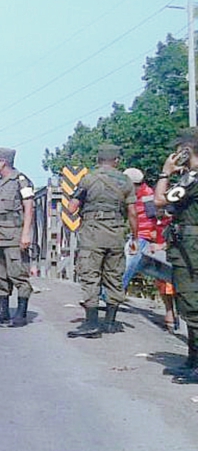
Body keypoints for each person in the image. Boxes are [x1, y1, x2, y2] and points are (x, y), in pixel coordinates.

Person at [66, 144, 136, 339]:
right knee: (114, 276)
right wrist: (135, 237)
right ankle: (111, 322)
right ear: (117, 160)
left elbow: (72, 208)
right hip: (116, 234)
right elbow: (132, 213)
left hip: (92, 234)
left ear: (98, 160)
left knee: (90, 275)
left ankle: (91, 323)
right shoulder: (126, 181)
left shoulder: (88, 179)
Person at [156, 131, 198, 380]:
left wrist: (165, 171)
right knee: (189, 302)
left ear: (187, 150)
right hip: (187, 247)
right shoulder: (189, 178)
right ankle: (192, 360)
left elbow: (160, 200)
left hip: (191, 249)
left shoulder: (192, 179)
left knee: (193, 304)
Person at [0, 147, 35, 327]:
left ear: (3, 161)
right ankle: (2, 311)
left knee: (17, 273)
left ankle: (20, 314)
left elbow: (29, 207)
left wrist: (26, 233)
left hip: (13, 232)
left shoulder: (20, 181)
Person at [122, 167, 176, 329]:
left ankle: (113, 294)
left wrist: (158, 238)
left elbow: (160, 218)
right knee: (162, 278)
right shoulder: (129, 196)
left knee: (168, 278)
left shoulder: (148, 197)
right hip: (147, 237)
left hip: (155, 237)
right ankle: (170, 314)